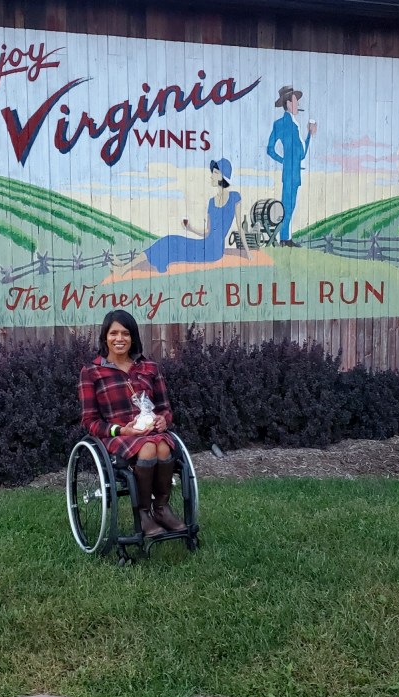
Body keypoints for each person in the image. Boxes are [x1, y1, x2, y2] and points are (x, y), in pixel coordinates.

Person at [78, 310, 186, 537]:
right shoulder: (92, 372)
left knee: (163, 446)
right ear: (105, 337)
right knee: (148, 448)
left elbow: (165, 408)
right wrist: (120, 429)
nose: (119, 338)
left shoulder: (149, 368)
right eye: (113, 333)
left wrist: (162, 420)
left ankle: (161, 508)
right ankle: (143, 513)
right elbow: (89, 421)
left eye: (125, 333)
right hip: (118, 436)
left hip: (151, 432)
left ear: (133, 337)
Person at [125, 158, 248, 274]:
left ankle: (130, 266)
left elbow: (239, 227)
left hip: (214, 251)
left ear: (222, 175)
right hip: (205, 243)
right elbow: (207, 232)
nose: (211, 176)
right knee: (170, 239)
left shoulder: (235, 197)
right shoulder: (212, 202)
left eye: (215, 172)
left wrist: (249, 254)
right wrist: (191, 228)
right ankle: (126, 267)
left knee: (176, 245)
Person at [267, 85, 317, 247]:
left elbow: (271, 149)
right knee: (288, 206)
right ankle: (284, 239)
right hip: (292, 173)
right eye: (296, 101)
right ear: (288, 103)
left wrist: (284, 161)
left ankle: (285, 238)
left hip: (291, 172)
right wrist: (310, 134)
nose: (298, 105)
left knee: (289, 206)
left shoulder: (284, 123)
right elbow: (300, 154)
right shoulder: (289, 125)